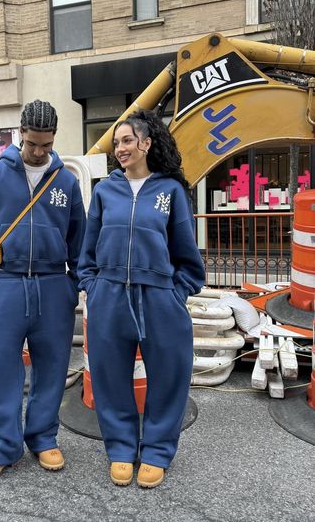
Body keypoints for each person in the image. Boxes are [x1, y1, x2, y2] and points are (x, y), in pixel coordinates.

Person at [78, 109, 205, 488]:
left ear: (147, 143)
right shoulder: (105, 191)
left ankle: (156, 451)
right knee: (109, 375)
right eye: (117, 142)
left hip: (160, 297)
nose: (120, 148)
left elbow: (187, 254)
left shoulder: (170, 191)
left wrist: (175, 291)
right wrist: (93, 286)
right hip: (110, 295)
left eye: (127, 140)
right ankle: (119, 448)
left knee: (168, 376)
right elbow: (88, 251)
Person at [0, 99, 86, 482]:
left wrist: (73, 284)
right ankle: (2, 446)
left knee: (51, 369)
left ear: (54, 139)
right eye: (32, 144)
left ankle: (43, 438)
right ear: (21, 134)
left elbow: (78, 238)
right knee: (1, 369)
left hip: (53, 287)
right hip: (4, 286)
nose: (38, 152)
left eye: (46, 145)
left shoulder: (65, 181)